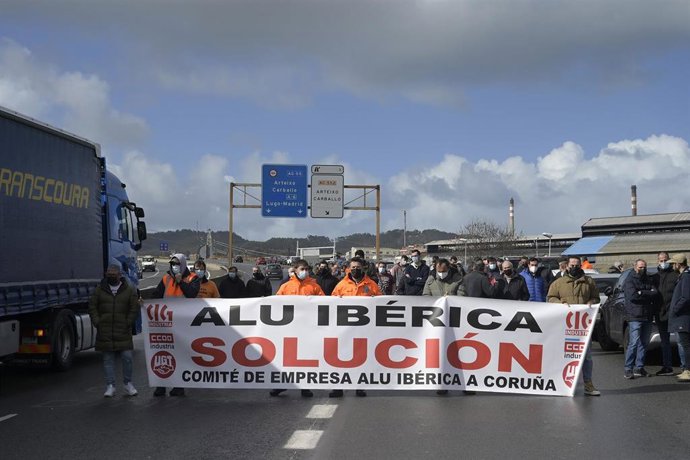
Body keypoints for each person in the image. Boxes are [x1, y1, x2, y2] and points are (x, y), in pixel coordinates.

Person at [547, 256, 601, 396]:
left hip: (583, 327)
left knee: (586, 356)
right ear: (567, 266)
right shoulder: (558, 283)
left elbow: (596, 297)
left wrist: (591, 301)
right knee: (563, 355)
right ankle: (560, 383)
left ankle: (588, 384)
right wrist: (561, 304)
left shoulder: (589, 282)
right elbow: (551, 298)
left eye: (577, 264)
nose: (574, 267)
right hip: (564, 326)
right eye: (572, 264)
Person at [271, 259, 325, 398]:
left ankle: (305, 387)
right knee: (286, 358)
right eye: (302, 269)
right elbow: (275, 304)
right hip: (290, 329)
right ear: (295, 270)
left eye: (307, 269)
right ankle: (282, 385)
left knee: (305, 358)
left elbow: (324, 303)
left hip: (308, 328)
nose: (305, 271)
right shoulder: (286, 286)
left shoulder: (314, 286)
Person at [330, 257, 381, 397]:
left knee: (361, 358)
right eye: (352, 267)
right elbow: (331, 303)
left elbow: (380, 304)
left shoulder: (371, 285)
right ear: (348, 268)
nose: (355, 269)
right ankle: (338, 387)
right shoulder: (341, 285)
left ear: (363, 268)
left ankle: (360, 386)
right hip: (344, 329)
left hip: (363, 330)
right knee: (340, 358)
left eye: (357, 267)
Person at [152, 254, 200, 397]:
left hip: (183, 325)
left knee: (180, 355)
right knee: (162, 354)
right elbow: (157, 294)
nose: (174, 266)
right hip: (166, 323)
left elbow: (191, 294)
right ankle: (161, 385)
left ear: (183, 264)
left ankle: (179, 385)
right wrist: (145, 303)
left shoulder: (193, 278)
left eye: (177, 263)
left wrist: (181, 282)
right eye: (172, 263)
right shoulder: (166, 278)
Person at [88, 264, 139, 398]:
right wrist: (97, 322)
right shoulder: (100, 290)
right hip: (105, 330)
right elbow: (92, 306)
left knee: (127, 358)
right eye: (108, 275)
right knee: (108, 359)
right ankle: (110, 386)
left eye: (113, 275)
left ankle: (128, 384)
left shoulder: (129, 290)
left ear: (119, 275)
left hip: (123, 330)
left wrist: (128, 322)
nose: (111, 277)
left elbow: (134, 308)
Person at [622, 259, 657, 379]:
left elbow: (655, 293)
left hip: (647, 315)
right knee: (633, 343)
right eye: (641, 267)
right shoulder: (629, 280)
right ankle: (628, 368)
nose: (643, 269)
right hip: (635, 316)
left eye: (644, 267)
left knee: (644, 343)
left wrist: (642, 292)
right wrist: (646, 293)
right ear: (635, 267)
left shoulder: (648, 279)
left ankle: (639, 367)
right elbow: (633, 297)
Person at [650, 252, 680, 376]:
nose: (663, 262)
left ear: (669, 260)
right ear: (658, 261)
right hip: (660, 314)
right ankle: (667, 367)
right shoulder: (655, 277)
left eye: (665, 260)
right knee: (665, 342)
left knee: (681, 341)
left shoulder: (676, 276)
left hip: (675, 313)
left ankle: (685, 368)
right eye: (661, 260)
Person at [669, 254, 690, 382]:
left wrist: (675, 309)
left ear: (678, 264)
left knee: (686, 345)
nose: (672, 266)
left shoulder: (686, 277)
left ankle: (687, 371)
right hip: (683, 317)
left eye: (673, 263)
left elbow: (686, 297)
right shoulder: (683, 276)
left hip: (683, 317)